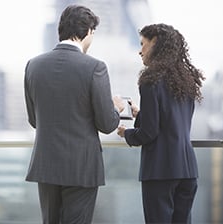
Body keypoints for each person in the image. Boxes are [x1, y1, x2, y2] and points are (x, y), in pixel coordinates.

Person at [24, 4, 125, 224]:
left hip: (47, 165)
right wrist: (116, 108)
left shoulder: (33, 66)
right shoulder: (95, 67)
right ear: (88, 31)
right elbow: (107, 124)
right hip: (81, 167)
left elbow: (34, 120)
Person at [117, 23, 205, 223]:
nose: (140, 51)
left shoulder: (150, 80)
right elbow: (172, 121)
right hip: (188, 170)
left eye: (143, 44)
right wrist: (142, 113)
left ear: (155, 43)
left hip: (160, 171)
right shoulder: (186, 80)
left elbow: (149, 132)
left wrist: (126, 133)